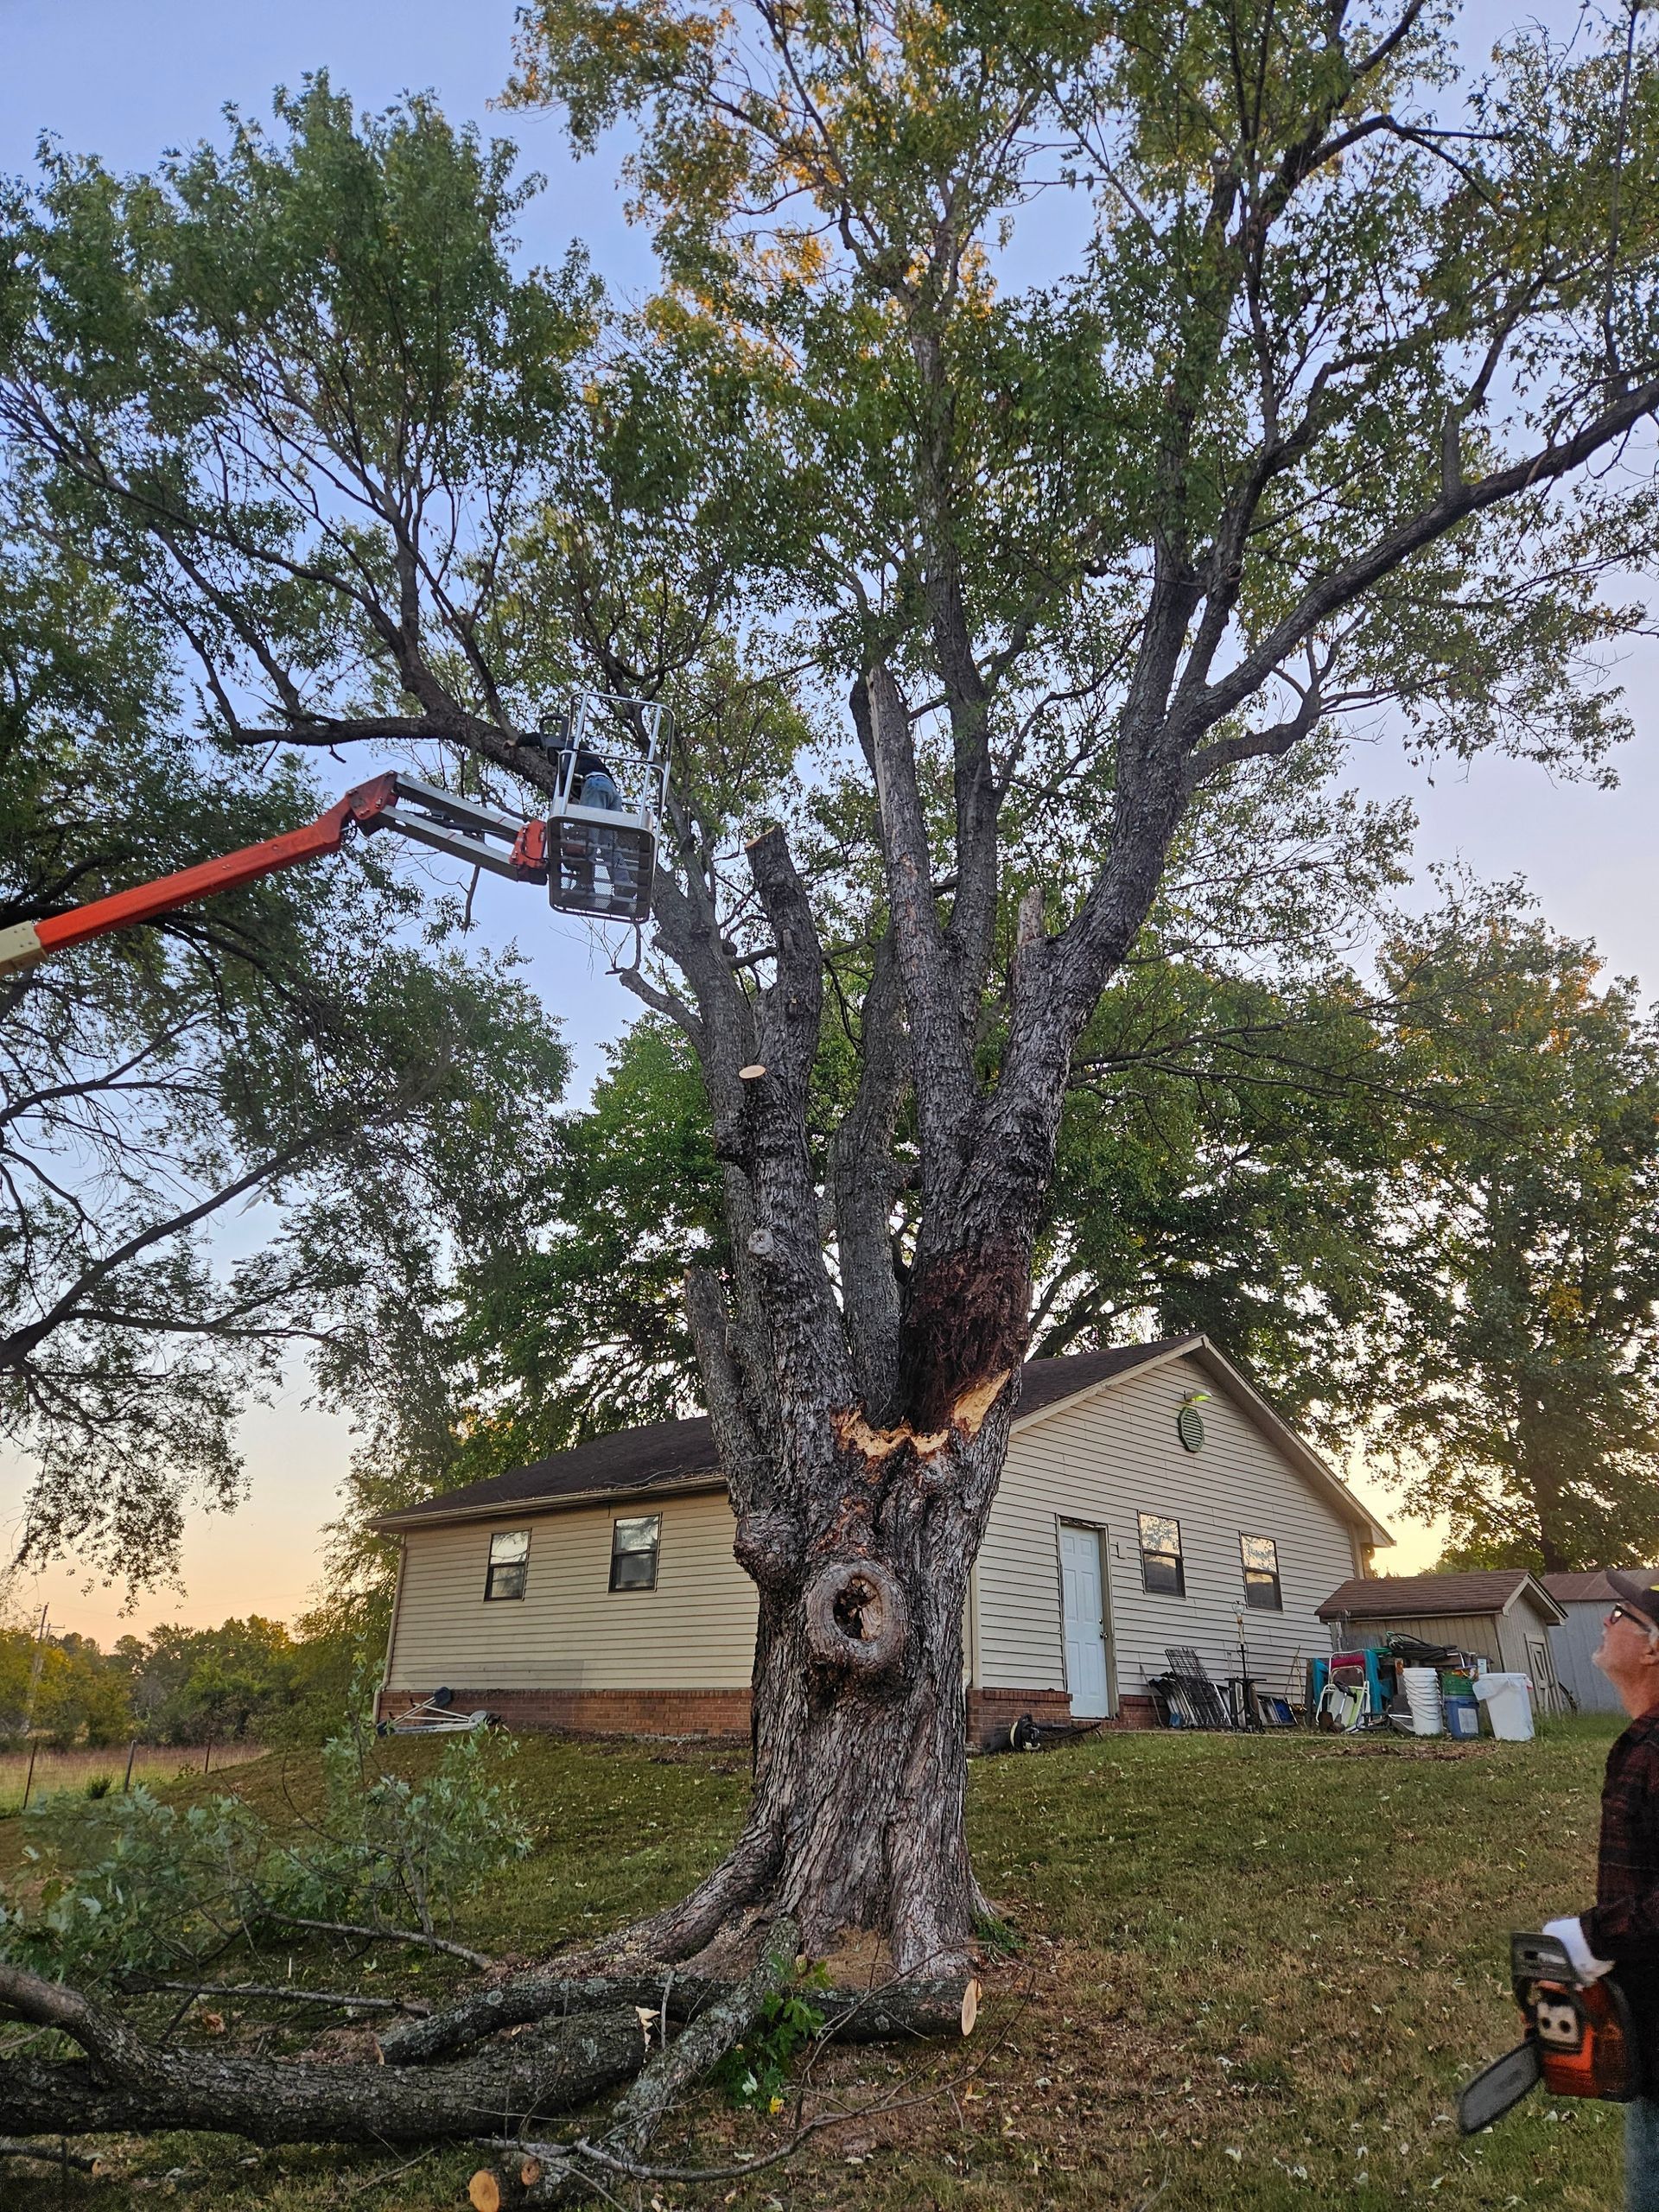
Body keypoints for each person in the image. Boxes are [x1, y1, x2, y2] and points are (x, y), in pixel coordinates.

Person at [1543, 1567, 1659, 2210]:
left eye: (1621, 1616)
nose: (1605, 1621)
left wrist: (1592, 1937)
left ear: (1652, 1648)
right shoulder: (1643, 1741)